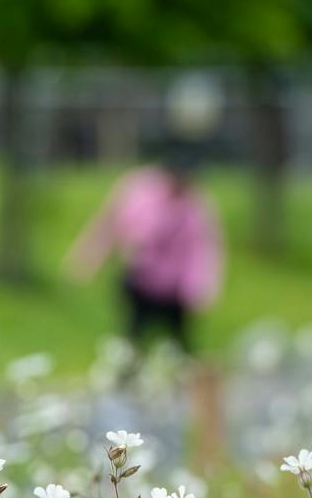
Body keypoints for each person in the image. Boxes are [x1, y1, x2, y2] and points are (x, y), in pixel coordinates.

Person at [65, 142, 223, 358]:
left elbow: (204, 250)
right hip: (140, 279)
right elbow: (109, 224)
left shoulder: (197, 204)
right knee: (132, 337)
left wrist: (199, 288)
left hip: (174, 288)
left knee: (182, 343)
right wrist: (87, 259)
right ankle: (128, 376)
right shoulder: (139, 190)